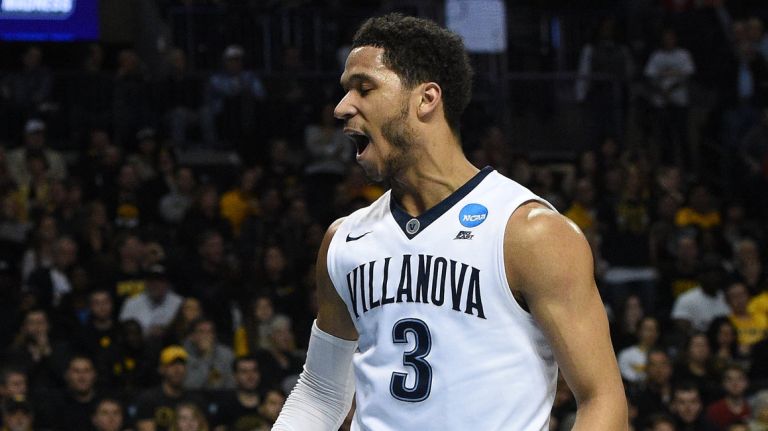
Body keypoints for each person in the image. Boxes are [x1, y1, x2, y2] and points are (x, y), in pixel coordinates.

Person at [272, 13, 627, 431]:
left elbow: (602, 400)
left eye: (364, 88)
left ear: (426, 99)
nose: (342, 107)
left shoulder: (527, 232)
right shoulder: (344, 240)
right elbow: (321, 394)